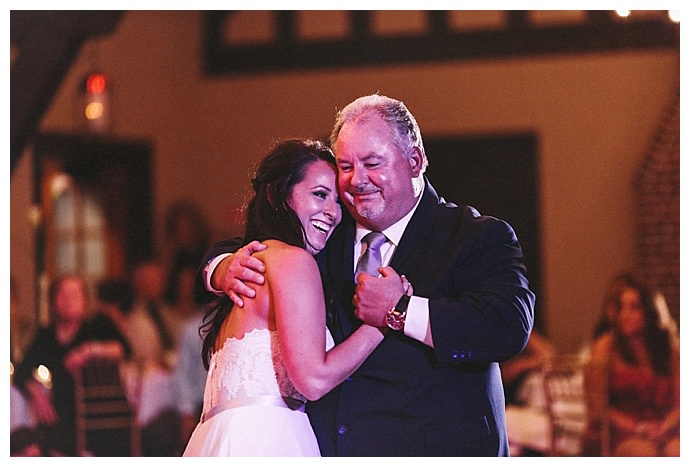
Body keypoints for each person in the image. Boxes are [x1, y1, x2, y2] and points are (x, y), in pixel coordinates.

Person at [198, 94, 535, 456]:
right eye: (345, 166)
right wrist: (222, 268)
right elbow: (252, 240)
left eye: (372, 163)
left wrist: (400, 309)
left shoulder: (473, 236)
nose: (357, 180)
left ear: (415, 161)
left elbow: (507, 326)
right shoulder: (322, 233)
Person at [183, 138, 389, 456]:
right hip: (268, 438)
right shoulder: (292, 261)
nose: (333, 212)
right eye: (319, 195)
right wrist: (382, 321)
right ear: (278, 195)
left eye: (338, 202)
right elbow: (313, 380)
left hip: (221, 437)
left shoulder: (259, 260)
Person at [12, 274, 131, 456]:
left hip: (102, 415)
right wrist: (36, 393)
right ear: (53, 301)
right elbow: (22, 371)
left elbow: (123, 349)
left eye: (75, 295)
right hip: (63, 414)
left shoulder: (98, 324)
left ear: (85, 299)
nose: (68, 300)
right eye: (62, 295)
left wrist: (89, 350)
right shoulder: (47, 335)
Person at [583, 273, 680, 457]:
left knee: (678, 451)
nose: (626, 315)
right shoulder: (606, 347)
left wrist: (665, 426)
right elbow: (598, 409)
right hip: (620, 432)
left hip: (664, 428)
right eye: (622, 308)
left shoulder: (667, 348)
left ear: (650, 311)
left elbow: (681, 400)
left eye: (634, 308)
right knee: (646, 454)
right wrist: (639, 427)